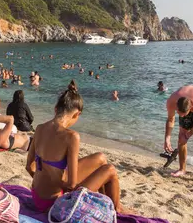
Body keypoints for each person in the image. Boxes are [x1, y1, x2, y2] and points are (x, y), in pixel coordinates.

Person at [25, 80, 131, 214]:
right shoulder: (71, 136)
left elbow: (29, 166)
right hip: (55, 203)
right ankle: (117, 208)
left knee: (101, 158)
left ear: (56, 109)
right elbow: (71, 185)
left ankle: (107, 203)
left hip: (37, 197)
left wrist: (47, 178)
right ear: (77, 114)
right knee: (109, 170)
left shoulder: (39, 129)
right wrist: (58, 183)